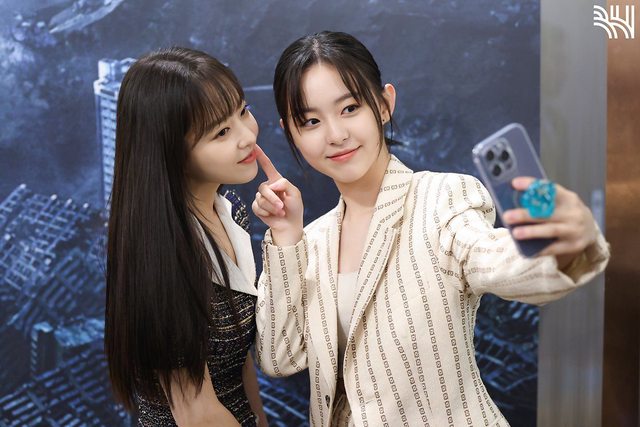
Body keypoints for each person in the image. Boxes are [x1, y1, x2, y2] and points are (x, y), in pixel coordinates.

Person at [251, 31, 610, 426]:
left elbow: (494, 258)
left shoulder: (443, 199)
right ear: (291, 132)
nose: (335, 135)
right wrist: (285, 237)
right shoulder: (311, 242)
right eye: (311, 121)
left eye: (350, 108)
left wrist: (562, 247)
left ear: (384, 104)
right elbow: (279, 358)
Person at [104, 46, 268, 426]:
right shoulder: (161, 258)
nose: (247, 137)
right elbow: (197, 414)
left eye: (243, 111)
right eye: (222, 132)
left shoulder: (232, 209)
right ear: (170, 151)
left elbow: (239, 360)